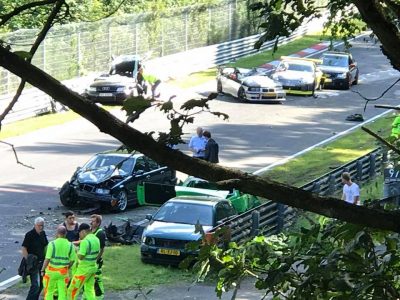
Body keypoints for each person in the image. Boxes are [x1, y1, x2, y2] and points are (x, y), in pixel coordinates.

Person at [41, 226, 76, 300]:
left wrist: (42, 270)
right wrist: (67, 267)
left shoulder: (52, 244)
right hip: (63, 272)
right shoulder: (70, 245)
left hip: (51, 272)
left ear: (57, 233)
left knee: (49, 292)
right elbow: (72, 260)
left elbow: (47, 259)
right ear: (65, 233)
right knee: (62, 292)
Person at [67, 223, 100, 300]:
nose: (79, 236)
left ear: (83, 232)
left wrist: (76, 250)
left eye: (79, 233)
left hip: (83, 270)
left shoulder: (85, 241)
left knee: (72, 290)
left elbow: (81, 257)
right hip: (93, 267)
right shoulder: (96, 239)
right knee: (89, 290)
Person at [21, 217, 49, 300]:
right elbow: (24, 248)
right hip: (33, 263)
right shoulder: (29, 234)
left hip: (42, 262)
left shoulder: (43, 233)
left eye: (42, 226)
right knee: (35, 285)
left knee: (41, 284)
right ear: (35, 225)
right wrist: (28, 261)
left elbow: (45, 246)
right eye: (39, 225)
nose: (41, 227)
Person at [90, 214, 106, 299]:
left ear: (98, 223)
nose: (91, 223)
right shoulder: (89, 231)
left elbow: (102, 249)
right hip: (89, 261)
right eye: (91, 221)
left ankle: (100, 296)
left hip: (96, 261)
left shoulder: (100, 233)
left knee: (97, 279)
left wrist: (96, 260)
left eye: (93, 221)